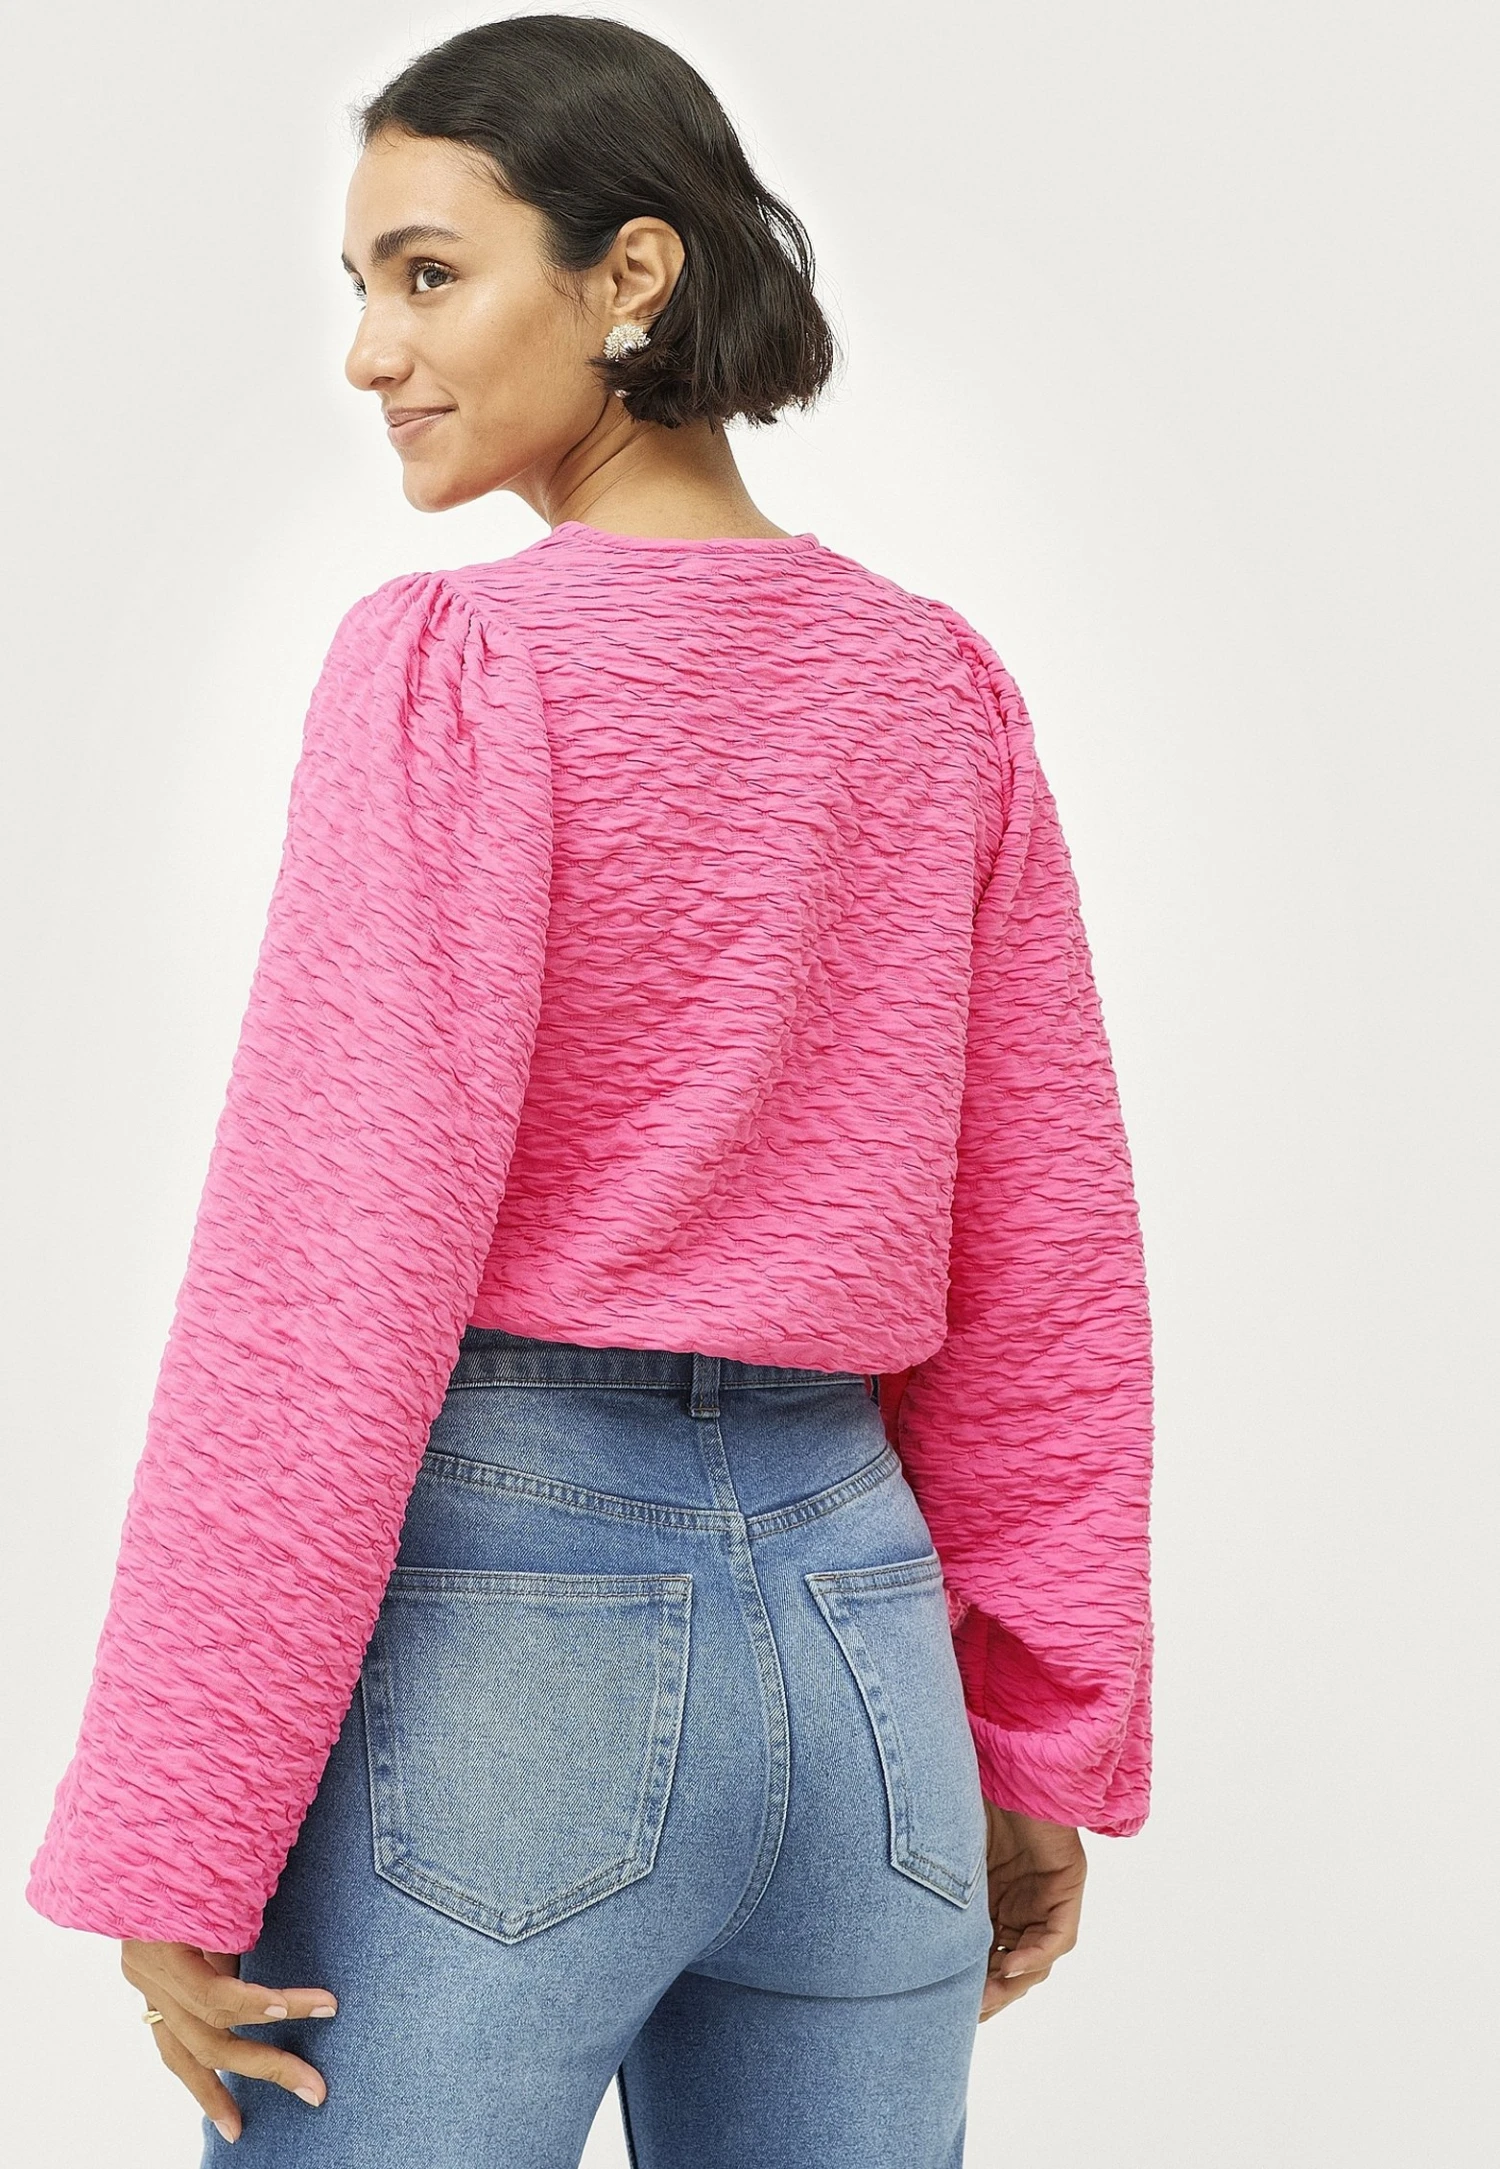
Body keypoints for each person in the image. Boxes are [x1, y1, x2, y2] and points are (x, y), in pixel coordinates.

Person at [24, 15, 1154, 2166]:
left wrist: (181, 1818)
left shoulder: (459, 673)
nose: (371, 350)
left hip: (516, 1646)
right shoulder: (936, 688)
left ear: (631, 272)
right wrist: (1028, 1732)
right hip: (866, 1642)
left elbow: (323, 1266)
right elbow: (1050, 1255)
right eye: (363, 283)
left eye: (429, 273)